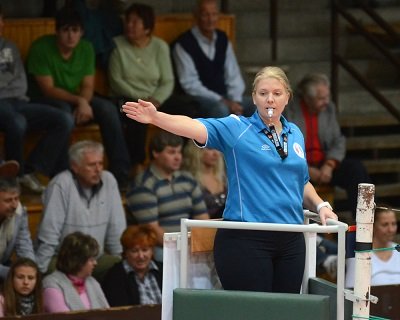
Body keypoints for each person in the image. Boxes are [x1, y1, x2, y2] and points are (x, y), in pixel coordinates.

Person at [122, 65, 338, 293]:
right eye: (263, 93)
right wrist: (156, 117)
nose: (270, 99)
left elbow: (301, 181)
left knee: (285, 311)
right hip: (247, 238)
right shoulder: (237, 128)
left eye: (277, 93)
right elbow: (193, 125)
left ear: (288, 97)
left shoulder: (295, 132)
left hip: (291, 240)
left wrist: (321, 205)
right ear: (254, 97)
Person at [25, 6, 130, 188]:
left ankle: (120, 174)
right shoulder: (41, 47)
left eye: (75, 30)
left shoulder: (86, 48)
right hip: (45, 98)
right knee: (64, 114)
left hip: (76, 97)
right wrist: (80, 102)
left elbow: (88, 85)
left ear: (81, 32)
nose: (71, 36)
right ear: (57, 32)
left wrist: (84, 102)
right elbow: (48, 89)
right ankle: (55, 172)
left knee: (108, 109)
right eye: (65, 30)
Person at [108, 3, 199, 167]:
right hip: (129, 98)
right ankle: (137, 165)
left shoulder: (160, 47)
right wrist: (142, 99)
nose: (130, 25)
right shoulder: (117, 45)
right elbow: (116, 81)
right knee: (136, 116)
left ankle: (181, 156)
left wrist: (157, 99)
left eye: (135, 22)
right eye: (128, 21)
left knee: (188, 109)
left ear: (147, 27)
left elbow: (167, 80)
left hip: (156, 99)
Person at [0, 5, 75, 193]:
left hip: (18, 100)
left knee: (64, 119)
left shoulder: (9, 46)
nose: (1, 24)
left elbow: (20, 84)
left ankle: (31, 170)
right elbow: (11, 80)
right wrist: (7, 84)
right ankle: (13, 179)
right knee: (17, 122)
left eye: (1, 19)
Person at [284, 73, 371, 222]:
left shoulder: (329, 109)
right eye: (321, 98)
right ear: (307, 97)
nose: (326, 102)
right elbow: (284, 142)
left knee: (356, 169)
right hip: (299, 165)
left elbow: (338, 140)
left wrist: (330, 164)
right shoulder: (289, 110)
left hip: (325, 165)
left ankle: (364, 222)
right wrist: (306, 168)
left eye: (327, 97)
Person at [35, 140, 126, 281]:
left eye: (100, 163)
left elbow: (117, 228)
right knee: (52, 271)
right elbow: (49, 232)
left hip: (96, 259)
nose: (98, 170)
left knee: (119, 267)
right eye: (91, 165)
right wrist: (39, 270)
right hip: (64, 260)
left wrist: (121, 260)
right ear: (75, 167)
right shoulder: (60, 184)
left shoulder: (109, 181)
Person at [125, 130, 209, 261]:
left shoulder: (187, 179)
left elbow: (202, 219)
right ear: (155, 153)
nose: (178, 157)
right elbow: (152, 230)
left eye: (179, 152)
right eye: (171, 152)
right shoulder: (144, 185)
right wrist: (184, 248)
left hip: (188, 243)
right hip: (160, 246)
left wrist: (200, 244)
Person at [172, 0, 254, 118]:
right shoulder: (183, 44)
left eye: (214, 14)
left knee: (260, 105)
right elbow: (190, 84)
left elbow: (233, 75)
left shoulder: (222, 39)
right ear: (196, 16)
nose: (210, 19)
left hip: (226, 97)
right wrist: (223, 101)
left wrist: (236, 101)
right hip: (198, 99)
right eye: (205, 14)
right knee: (221, 109)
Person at [42, 232, 109, 312]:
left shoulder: (93, 282)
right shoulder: (52, 284)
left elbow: (109, 314)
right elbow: (62, 317)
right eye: (91, 259)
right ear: (78, 260)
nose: (95, 263)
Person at [102, 225, 162, 306]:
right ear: (126, 253)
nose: (141, 256)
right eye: (134, 251)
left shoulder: (163, 270)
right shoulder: (115, 276)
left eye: (145, 250)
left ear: (152, 251)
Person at [345, 206, 400, 288]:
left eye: (394, 224)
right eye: (385, 225)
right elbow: (350, 289)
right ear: (372, 226)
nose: (391, 229)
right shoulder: (360, 255)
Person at [0, 170, 36, 282]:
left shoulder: (19, 213)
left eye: (16, 198)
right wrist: (16, 274)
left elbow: (24, 245)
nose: (14, 205)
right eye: (8, 200)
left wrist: (30, 269)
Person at [182, 143, 227, 219]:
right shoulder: (187, 180)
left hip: (227, 226)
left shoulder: (225, 178)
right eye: (210, 149)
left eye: (218, 149)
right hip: (200, 227)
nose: (216, 154)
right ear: (197, 151)